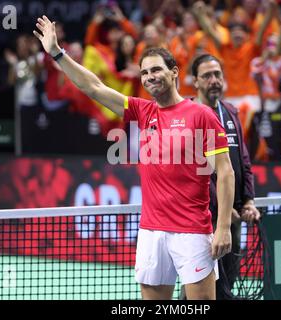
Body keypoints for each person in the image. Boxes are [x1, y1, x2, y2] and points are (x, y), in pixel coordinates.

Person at [33, 15, 235, 300]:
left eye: (156, 70)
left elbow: (225, 172)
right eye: (144, 73)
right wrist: (57, 53)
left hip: (192, 231)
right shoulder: (143, 111)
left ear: (174, 72)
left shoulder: (200, 114)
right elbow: (93, 87)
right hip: (151, 231)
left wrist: (223, 226)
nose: (150, 77)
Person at [188, 53, 261, 299]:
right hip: (203, 219)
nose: (214, 80)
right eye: (206, 76)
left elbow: (243, 161)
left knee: (227, 282)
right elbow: (196, 169)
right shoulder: (188, 114)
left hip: (233, 218)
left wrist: (249, 200)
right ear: (195, 81)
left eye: (217, 74)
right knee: (199, 286)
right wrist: (222, 206)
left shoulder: (230, 112)